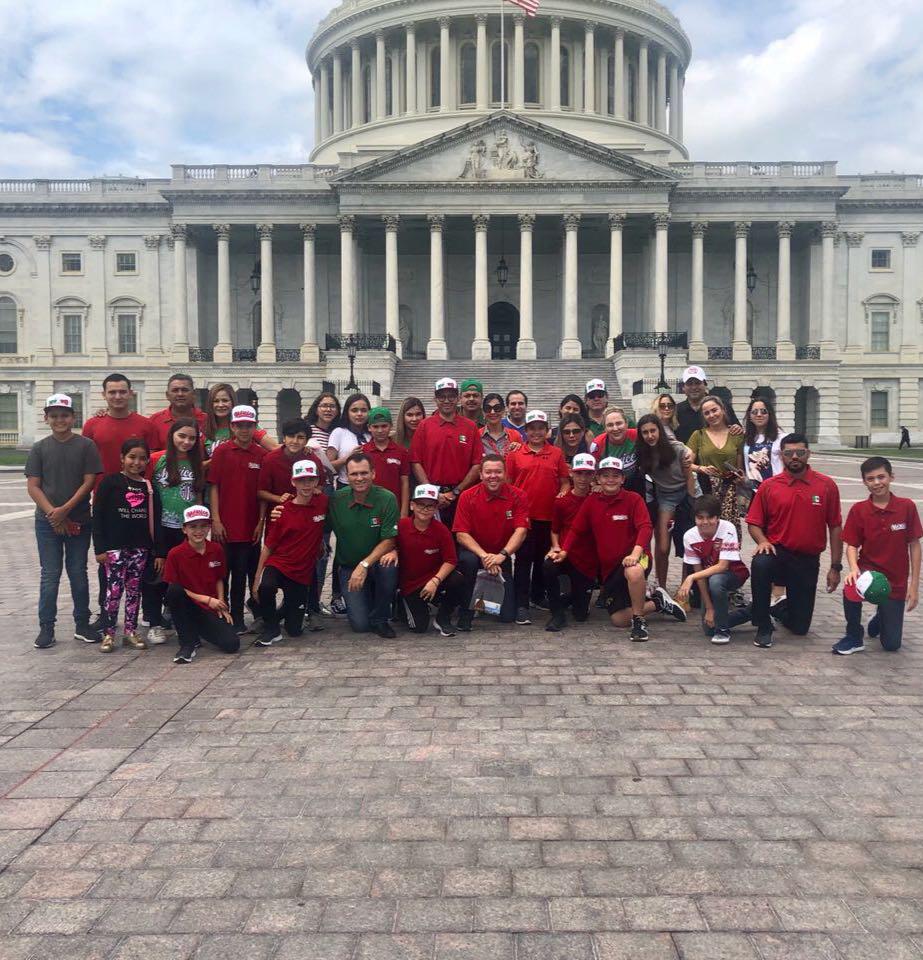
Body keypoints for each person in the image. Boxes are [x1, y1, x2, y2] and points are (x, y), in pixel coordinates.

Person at [559, 457, 686, 641]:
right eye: (605, 476)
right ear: (598, 479)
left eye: (615, 476)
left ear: (622, 479)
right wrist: (563, 551)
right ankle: (658, 602)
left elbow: (645, 527)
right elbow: (576, 529)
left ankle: (639, 621)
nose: (610, 479)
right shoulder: (591, 502)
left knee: (634, 571)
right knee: (618, 620)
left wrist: (635, 553)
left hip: (636, 558)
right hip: (610, 570)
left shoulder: (634, 499)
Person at [739, 433, 843, 648]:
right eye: (789, 453)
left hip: (807, 559)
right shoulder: (770, 486)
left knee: (800, 628)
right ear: (782, 456)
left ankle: (772, 608)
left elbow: (835, 526)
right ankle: (763, 624)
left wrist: (835, 566)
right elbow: (754, 523)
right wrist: (762, 541)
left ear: (808, 454)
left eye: (800, 452)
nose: (794, 457)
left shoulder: (826, 486)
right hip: (778, 552)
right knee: (761, 562)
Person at [26, 394, 103, 649]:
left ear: (73, 417)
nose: (60, 420)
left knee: (78, 573)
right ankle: (46, 627)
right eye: (54, 415)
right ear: (46, 418)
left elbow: (89, 481)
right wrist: (53, 513)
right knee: (50, 575)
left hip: (79, 520)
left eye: (65, 415)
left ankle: (82, 623)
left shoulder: (85, 445)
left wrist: (66, 510)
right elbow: (34, 486)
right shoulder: (40, 448)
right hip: (46, 522)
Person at [82, 373, 157, 631]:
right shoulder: (93, 424)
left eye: (122, 391)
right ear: (104, 394)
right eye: (112, 392)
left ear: (131, 393)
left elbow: (155, 459)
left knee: (140, 563)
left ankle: (145, 615)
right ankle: (106, 614)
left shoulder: (145, 425)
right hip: (106, 501)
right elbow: (86, 464)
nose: (117, 396)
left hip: (138, 502)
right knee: (108, 567)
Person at [835, 456, 921, 654]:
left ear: (891, 477)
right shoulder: (859, 510)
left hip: (896, 581)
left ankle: (881, 615)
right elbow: (851, 545)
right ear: (864, 482)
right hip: (869, 572)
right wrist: (854, 569)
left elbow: (914, 546)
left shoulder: (906, 506)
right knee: (851, 585)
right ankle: (854, 636)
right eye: (870, 479)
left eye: (881, 477)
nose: (876, 483)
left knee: (891, 645)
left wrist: (914, 586)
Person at [92, 438, 159, 653]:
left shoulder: (149, 487)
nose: (136, 462)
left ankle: (130, 630)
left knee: (134, 590)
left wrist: (155, 549)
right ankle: (108, 632)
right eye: (132, 457)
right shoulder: (109, 483)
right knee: (113, 591)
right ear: (122, 458)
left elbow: (155, 520)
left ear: (147, 461)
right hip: (114, 547)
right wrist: (100, 549)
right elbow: (98, 517)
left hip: (139, 548)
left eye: (142, 459)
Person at [253, 459, 328, 646]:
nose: (306, 484)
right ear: (293, 482)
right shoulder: (282, 511)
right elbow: (268, 546)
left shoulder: (323, 502)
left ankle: (280, 613)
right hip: (279, 563)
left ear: (316, 481)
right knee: (266, 587)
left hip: (302, 573)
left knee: (295, 630)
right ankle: (271, 629)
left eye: (310, 480)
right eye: (301, 480)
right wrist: (256, 579)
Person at [506, 410, 571, 624]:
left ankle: (537, 596)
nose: (536, 432)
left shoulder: (556, 453)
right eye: (532, 428)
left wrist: (563, 490)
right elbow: (508, 484)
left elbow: (564, 480)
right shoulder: (515, 454)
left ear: (547, 430)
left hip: (549, 516)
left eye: (540, 428)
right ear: (525, 431)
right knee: (523, 562)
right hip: (524, 518)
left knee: (543, 561)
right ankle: (521, 604)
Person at [145, 418, 206, 644]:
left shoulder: (197, 463)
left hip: (186, 529)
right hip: (160, 527)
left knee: (185, 574)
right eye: (182, 436)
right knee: (157, 575)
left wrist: (199, 527)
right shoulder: (156, 460)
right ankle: (154, 622)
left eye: (192, 438)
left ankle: (183, 617)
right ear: (172, 435)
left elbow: (198, 495)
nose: (186, 441)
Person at [207, 405, 267, 633]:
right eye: (239, 425)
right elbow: (214, 486)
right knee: (226, 572)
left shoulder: (261, 455)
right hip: (226, 525)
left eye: (249, 425)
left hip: (250, 524)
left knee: (245, 572)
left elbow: (262, 493)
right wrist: (216, 520)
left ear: (254, 426)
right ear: (232, 426)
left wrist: (261, 522)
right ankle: (229, 614)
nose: (244, 430)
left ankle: (243, 615)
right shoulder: (222, 452)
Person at [326, 451, 399, 637]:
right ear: (346, 476)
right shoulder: (336, 500)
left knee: (389, 567)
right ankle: (371, 599)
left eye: (364, 473)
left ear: (373, 473)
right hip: (349, 567)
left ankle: (381, 617)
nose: (359, 478)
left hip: (375, 564)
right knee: (360, 625)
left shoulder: (387, 498)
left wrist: (364, 564)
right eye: (354, 474)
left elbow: (389, 539)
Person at [452, 454, 530, 630]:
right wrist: (486, 557)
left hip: (501, 556)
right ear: (480, 474)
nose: (493, 476)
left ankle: (483, 603)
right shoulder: (467, 496)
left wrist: (502, 556)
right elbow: (461, 534)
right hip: (475, 554)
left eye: (498, 472)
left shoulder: (518, 495)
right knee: (469, 562)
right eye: (488, 472)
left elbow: (521, 531)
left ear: (505, 474)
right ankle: (467, 612)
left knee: (507, 616)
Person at [163, 505, 240, 664]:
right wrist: (206, 599)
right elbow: (175, 587)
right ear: (184, 529)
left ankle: (197, 630)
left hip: (209, 608)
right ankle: (186, 645)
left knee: (232, 644)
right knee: (174, 591)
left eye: (203, 526)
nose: (199, 531)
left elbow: (219, 578)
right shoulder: (175, 554)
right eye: (193, 526)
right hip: (187, 605)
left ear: (209, 527)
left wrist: (221, 604)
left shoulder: (216, 549)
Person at [677, 495, 750, 645]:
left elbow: (723, 566)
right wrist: (709, 608)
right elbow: (700, 576)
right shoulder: (689, 536)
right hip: (708, 577)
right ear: (695, 518)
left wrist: (690, 578)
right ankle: (756, 612)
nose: (705, 522)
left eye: (710, 518)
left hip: (734, 573)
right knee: (708, 628)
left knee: (716, 581)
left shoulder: (728, 528)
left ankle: (722, 631)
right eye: (700, 518)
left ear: (717, 517)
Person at [410, 378, 482, 528]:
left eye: (451, 396)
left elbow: (476, 464)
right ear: (435, 399)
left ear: (458, 398)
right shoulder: (424, 426)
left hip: (461, 495)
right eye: (442, 397)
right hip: (430, 497)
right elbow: (416, 462)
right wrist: (432, 492)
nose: (447, 401)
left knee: (460, 539)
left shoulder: (470, 427)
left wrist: (455, 492)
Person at [635, 414, 695, 589]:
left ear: (659, 430)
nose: (650, 436)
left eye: (653, 430)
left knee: (687, 543)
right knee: (662, 546)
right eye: (645, 432)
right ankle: (661, 586)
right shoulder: (642, 453)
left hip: (687, 492)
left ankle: (685, 588)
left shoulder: (675, 449)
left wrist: (691, 502)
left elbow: (689, 476)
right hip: (666, 497)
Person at [397, 483, 464, 637]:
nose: (425, 509)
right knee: (419, 628)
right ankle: (401, 601)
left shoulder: (442, 530)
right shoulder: (402, 526)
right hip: (411, 585)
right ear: (412, 505)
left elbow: (450, 560)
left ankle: (443, 617)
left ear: (436, 508)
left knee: (458, 579)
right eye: (420, 505)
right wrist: (392, 551)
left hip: (433, 579)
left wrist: (435, 580)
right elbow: (389, 544)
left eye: (430, 506)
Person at [543, 452, 597, 632]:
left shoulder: (598, 499)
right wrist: (556, 547)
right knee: (549, 565)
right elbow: (555, 530)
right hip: (566, 554)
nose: (583, 478)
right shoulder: (562, 501)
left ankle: (572, 597)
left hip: (587, 559)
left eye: (588, 473)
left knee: (581, 615)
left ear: (594, 475)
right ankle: (557, 613)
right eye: (579, 473)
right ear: (572, 473)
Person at [688, 395, 745, 536]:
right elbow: (685, 463)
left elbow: (740, 467)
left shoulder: (736, 434)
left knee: (728, 534)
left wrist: (740, 477)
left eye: (714, 410)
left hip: (729, 494)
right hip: (706, 490)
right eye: (707, 413)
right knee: (708, 533)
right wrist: (701, 468)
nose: (711, 415)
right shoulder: (698, 435)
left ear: (723, 410)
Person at [257, 418, 324, 514]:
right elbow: (261, 492)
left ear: (306, 441)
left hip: (305, 513)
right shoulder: (270, 459)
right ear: (284, 438)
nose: (295, 441)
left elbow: (320, 484)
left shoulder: (313, 460)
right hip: (278, 514)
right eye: (291, 436)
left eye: (300, 437)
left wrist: (313, 490)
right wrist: (279, 498)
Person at [203, 383, 277, 460]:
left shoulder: (247, 426)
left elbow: (274, 448)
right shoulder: (204, 428)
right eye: (216, 401)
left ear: (233, 402)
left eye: (225, 400)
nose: (220, 405)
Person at [361, 407, 411, 517]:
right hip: (368, 508)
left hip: (393, 508)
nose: (380, 430)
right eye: (375, 426)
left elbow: (405, 483)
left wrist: (404, 512)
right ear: (369, 428)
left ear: (391, 426)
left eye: (384, 426)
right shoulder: (362, 451)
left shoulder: (401, 452)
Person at [674, 366, 741, 443]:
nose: (694, 387)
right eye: (689, 384)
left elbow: (736, 428)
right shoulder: (676, 410)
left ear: (705, 385)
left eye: (697, 383)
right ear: (683, 388)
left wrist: (737, 428)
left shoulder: (722, 406)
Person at [149, 373, 207, 449]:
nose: (180, 394)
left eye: (185, 390)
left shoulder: (207, 420)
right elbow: (151, 453)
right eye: (175, 390)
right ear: (167, 395)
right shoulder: (155, 421)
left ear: (193, 394)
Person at [589, 407, 640, 492]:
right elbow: (593, 469)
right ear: (605, 428)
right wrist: (596, 484)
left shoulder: (637, 436)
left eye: (619, 423)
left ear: (626, 424)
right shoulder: (597, 444)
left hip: (635, 481)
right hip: (611, 483)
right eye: (610, 425)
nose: (615, 428)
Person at [327, 393, 371, 485]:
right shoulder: (339, 432)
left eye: (363, 410)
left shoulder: (371, 434)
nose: (359, 414)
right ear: (347, 412)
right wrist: (347, 458)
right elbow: (328, 467)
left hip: (369, 486)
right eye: (354, 410)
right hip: (345, 485)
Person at [743, 397, 784, 486]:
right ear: (750, 416)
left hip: (775, 488)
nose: (759, 415)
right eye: (754, 412)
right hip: (752, 492)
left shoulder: (782, 438)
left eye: (763, 411)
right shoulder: (745, 438)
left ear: (770, 414)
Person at [480, 393, 521, 457]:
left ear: (503, 411)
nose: (492, 412)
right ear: (483, 412)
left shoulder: (515, 435)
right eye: (488, 408)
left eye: (497, 408)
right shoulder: (477, 435)